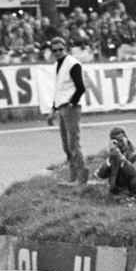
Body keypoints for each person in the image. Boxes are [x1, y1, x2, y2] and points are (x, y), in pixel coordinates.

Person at [46, 37, 88, 184]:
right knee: (66, 145)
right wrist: (53, 110)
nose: (58, 52)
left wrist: (72, 103)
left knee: (73, 143)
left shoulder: (73, 64)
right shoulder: (58, 65)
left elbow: (81, 87)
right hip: (61, 107)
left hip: (70, 107)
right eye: (55, 50)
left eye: (60, 49)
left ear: (66, 48)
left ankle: (81, 176)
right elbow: (59, 90)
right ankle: (73, 175)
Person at [95, 127, 136, 202]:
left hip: (133, 187)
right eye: (117, 142)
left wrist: (121, 157)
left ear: (126, 138)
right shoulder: (111, 153)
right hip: (119, 188)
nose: (120, 144)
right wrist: (108, 161)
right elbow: (100, 175)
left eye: (121, 141)